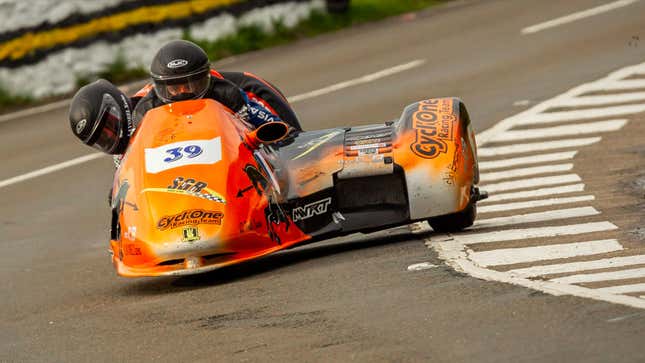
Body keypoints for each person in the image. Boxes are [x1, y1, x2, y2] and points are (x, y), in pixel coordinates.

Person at [69, 39, 301, 155]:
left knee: (293, 145)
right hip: (187, 158)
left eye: (193, 83)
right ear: (159, 87)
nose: (184, 92)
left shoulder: (229, 92)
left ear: (206, 78)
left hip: (231, 147)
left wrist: (277, 140)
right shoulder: (146, 109)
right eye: (175, 87)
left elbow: (279, 129)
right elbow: (130, 165)